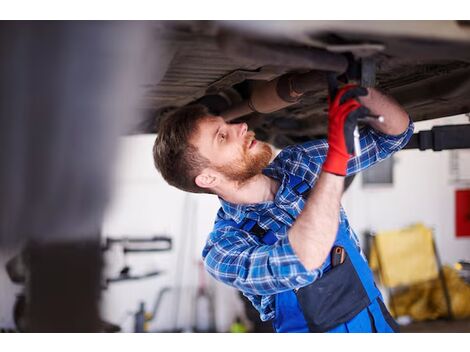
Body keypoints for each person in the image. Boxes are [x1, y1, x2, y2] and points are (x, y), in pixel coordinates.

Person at [152, 83, 414, 333]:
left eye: (227, 125)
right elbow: (300, 263)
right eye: (222, 136)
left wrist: (358, 87)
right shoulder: (224, 249)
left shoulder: (299, 164)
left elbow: (395, 135)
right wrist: (336, 160)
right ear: (208, 178)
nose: (242, 126)